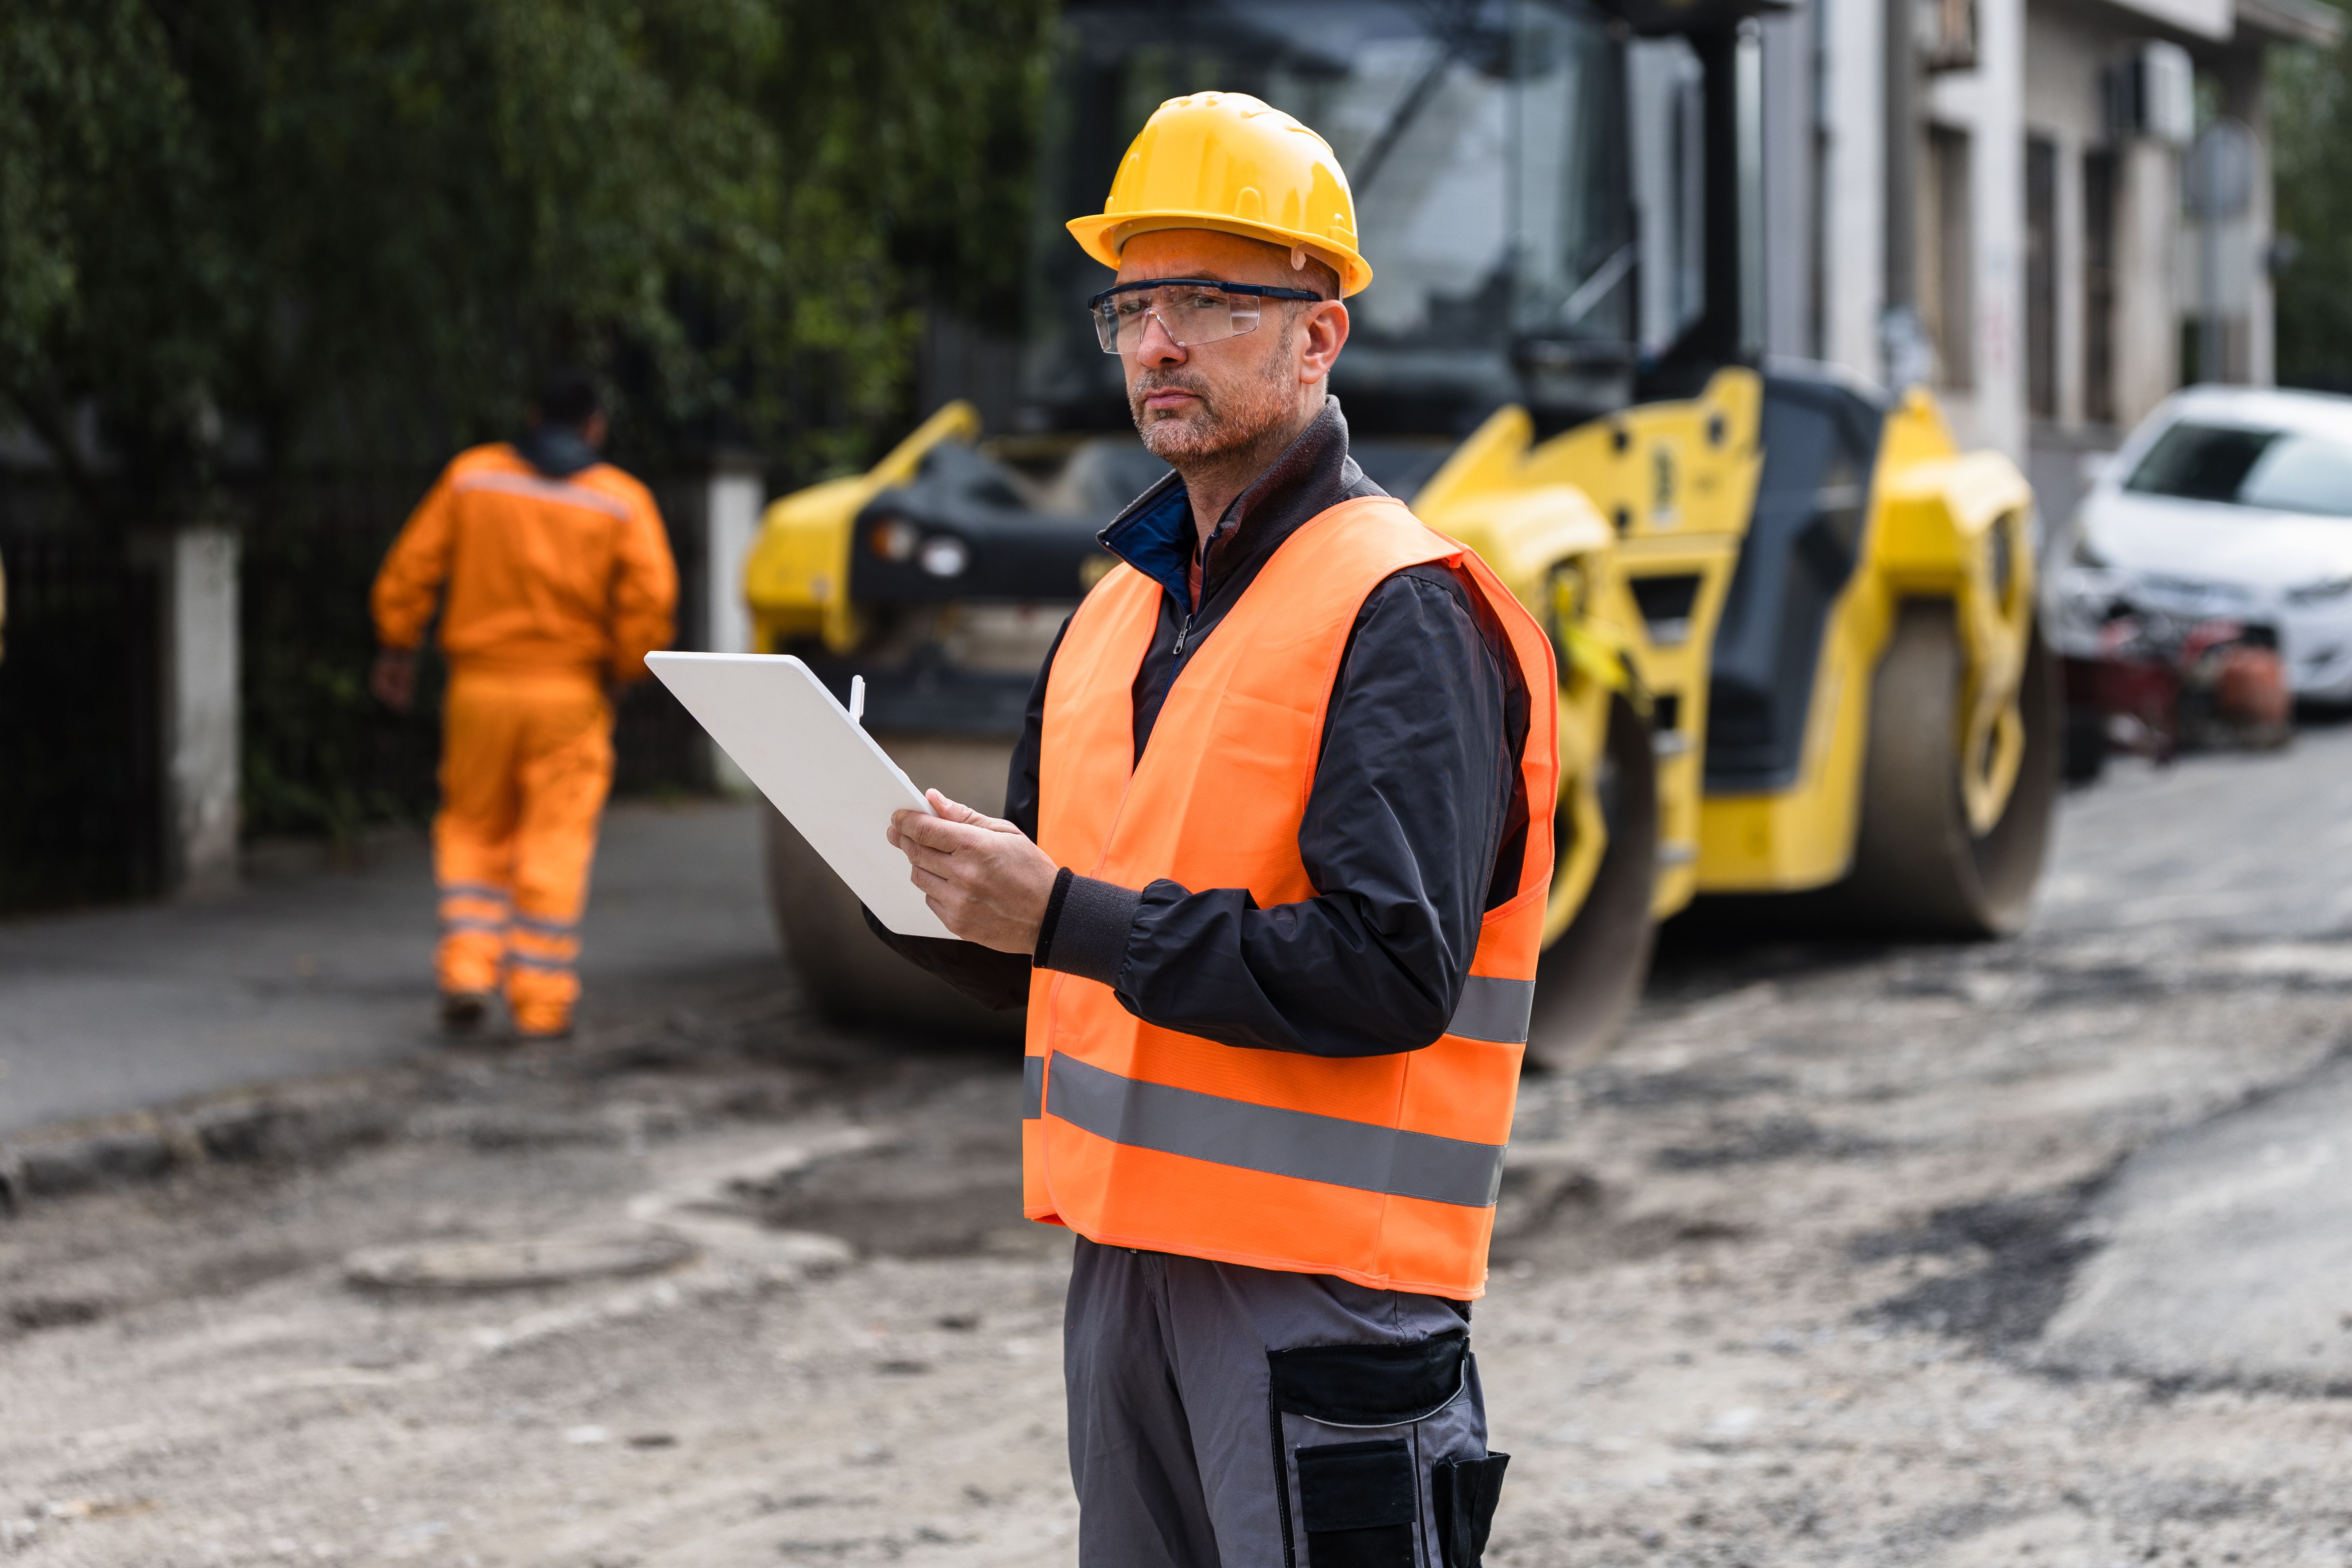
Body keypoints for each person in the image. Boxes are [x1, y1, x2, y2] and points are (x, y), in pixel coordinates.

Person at [872, 93, 1558, 1567]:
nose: (1158, 343)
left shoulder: (1401, 605)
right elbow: (1057, 936)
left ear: (1318, 337)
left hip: (1326, 1291)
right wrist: (925, 894)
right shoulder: (1113, 613)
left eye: (1207, 302)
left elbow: (1388, 969)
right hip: (1126, 1270)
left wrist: (1058, 914)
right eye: (1132, 307)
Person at [368, 371, 676, 1041]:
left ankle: (468, 971)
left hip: (479, 692)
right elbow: (650, 604)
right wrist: (624, 669)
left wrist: (397, 647)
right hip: (569, 695)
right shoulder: (620, 501)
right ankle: (540, 1005)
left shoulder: (473, 478)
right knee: (554, 840)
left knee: (472, 828)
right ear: (594, 427)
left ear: (533, 416)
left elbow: (411, 569)